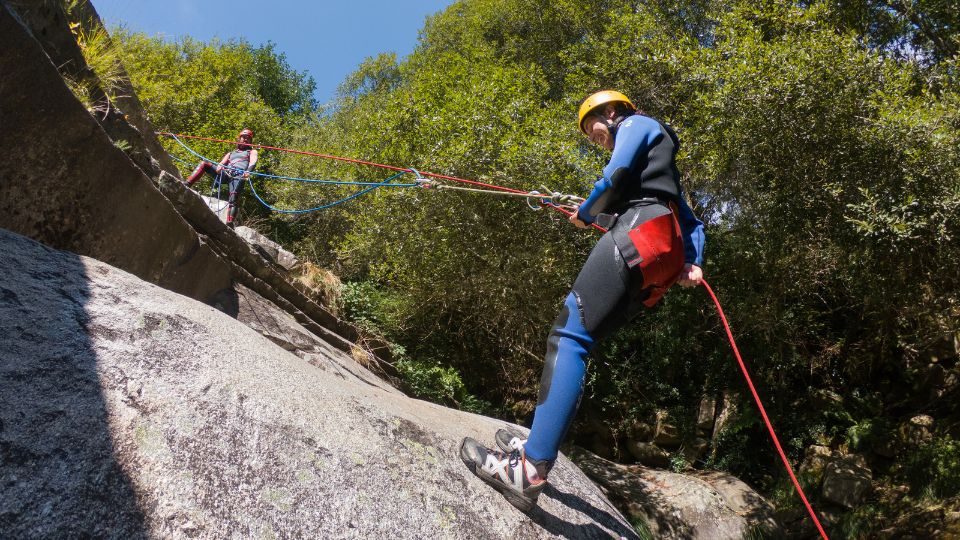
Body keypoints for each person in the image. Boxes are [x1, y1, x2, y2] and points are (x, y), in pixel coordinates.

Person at [460, 91, 706, 511]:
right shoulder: (662, 161)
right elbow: (691, 220)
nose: (595, 139)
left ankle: (530, 470)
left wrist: (589, 210)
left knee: (568, 335)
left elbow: (616, 173)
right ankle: (538, 442)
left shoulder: (636, 124)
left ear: (610, 112)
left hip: (639, 231)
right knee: (581, 341)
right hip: (663, 251)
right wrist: (693, 262)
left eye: (591, 128)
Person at [185, 128, 259, 228]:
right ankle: (187, 184)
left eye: (248, 139)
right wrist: (220, 166)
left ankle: (230, 222)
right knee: (204, 164)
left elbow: (253, 162)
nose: (245, 140)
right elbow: (222, 163)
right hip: (226, 173)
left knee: (233, 198)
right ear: (239, 138)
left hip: (239, 175)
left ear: (250, 141)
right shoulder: (230, 153)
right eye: (243, 137)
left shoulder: (252, 152)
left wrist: (248, 171)